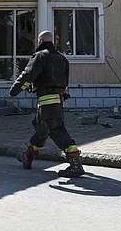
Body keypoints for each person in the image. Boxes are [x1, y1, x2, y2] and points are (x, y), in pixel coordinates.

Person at [9, 30, 85, 177]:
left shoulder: (40, 56)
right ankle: (28, 157)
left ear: (41, 41)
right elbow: (66, 84)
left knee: (57, 132)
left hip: (46, 102)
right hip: (58, 101)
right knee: (42, 131)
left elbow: (27, 76)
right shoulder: (63, 59)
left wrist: (14, 91)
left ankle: (76, 165)